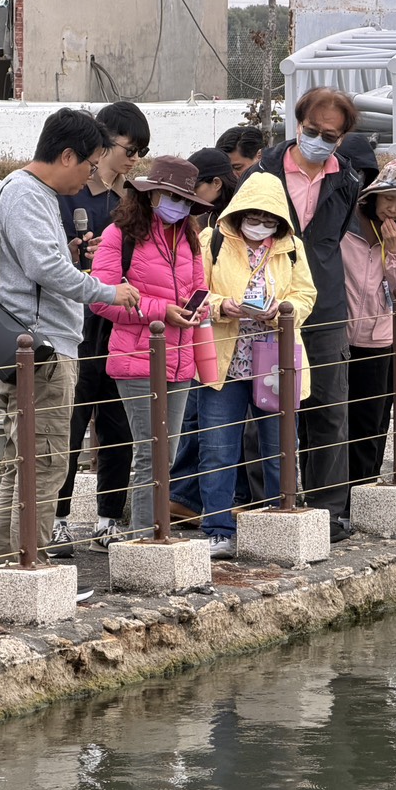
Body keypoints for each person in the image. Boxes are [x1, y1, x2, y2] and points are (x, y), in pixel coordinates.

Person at [0, 108, 141, 562]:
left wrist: (65, 256)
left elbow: (37, 263)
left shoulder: (20, 190)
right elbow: (43, 268)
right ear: (67, 156)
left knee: (23, 462)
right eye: (90, 164)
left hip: (20, 343)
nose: (92, 174)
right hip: (41, 347)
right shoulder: (29, 195)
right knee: (47, 462)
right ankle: (31, 562)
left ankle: (15, 561)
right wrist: (107, 289)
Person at [251, 87, 362, 541]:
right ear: (298, 124)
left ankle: (329, 509)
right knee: (266, 405)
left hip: (327, 303)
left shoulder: (349, 180)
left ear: (342, 137)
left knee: (330, 407)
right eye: (311, 130)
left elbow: (334, 237)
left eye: (329, 134)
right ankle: (267, 501)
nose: (318, 139)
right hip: (267, 304)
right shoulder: (265, 170)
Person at [196, 173, 317, 559]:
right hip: (224, 359)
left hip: (274, 357)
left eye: (269, 218)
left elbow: (305, 294)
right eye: (253, 215)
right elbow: (194, 291)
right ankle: (217, 528)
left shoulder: (291, 247)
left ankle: (281, 517)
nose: (260, 223)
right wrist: (221, 305)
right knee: (217, 447)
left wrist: (284, 312)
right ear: (239, 212)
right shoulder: (211, 240)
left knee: (280, 443)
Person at [89, 157, 210, 542]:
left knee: (166, 454)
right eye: (173, 197)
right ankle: (146, 537)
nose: (179, 206)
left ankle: (153, 533)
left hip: (181, 358)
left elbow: (198, 288)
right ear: (152, 193)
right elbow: (101, 300)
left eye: (186, 201)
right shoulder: (119, 235)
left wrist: (197, 308)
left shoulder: (189, 238)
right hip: (136, 358)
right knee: (150, 451)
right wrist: (163, 312)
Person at [52, 101, 149, 555]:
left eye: (140, 151)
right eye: (128, 148)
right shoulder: (68, 191)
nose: (132, 159)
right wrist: (73, 255)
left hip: (123, 327)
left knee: (119, 427)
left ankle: (110, 518)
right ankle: (59, 518)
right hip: (75, 325)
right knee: (68, 425)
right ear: (103, 141)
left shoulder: (135, 199)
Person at [168, 147, 239, 524]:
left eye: (193, 187)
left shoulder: (220, 225)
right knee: (198, 420)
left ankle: (187, 497)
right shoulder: (204, 224)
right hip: (204, 329)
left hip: (213, 333)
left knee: (203, 421)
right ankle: (184, 497)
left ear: (214, 184)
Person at [342, 161, 396, 487]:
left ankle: (361, 493)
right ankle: (330, 494)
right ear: (373, 196)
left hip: (378, 338)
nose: (393, 207)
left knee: (370, 422)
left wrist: (395, 252)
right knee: (331, 419)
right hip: (338, 333)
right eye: (388, 197)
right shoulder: (346, 224)